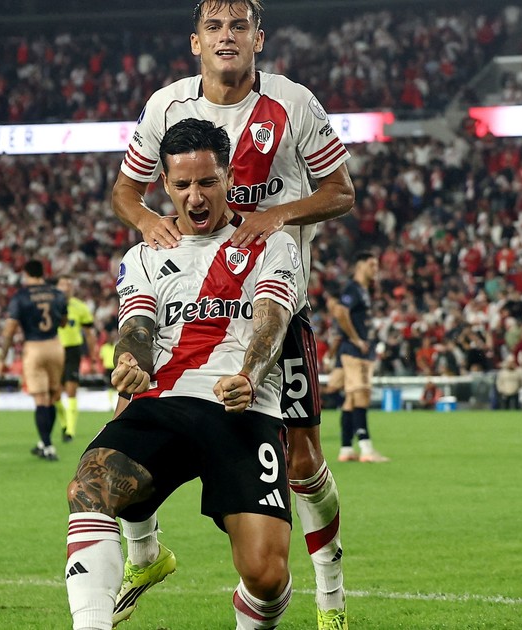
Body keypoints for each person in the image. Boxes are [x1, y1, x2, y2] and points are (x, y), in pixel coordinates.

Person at [109, 2, 355, 627]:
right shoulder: (166, 105)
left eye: (238, 26)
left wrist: (277, 215)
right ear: (196, 42)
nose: (227, 37)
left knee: (302, 460)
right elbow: (125, 190)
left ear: (258, 38)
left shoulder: (293, 104)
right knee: (129, 410)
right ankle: (144, 553)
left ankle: (331, 597)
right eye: (214, 27)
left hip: (269, 306)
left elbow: (342, 191)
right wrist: (147, 220)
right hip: (186, 302)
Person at [66, 119, 300, 630]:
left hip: (243, 408)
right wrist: (130, 363)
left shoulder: (269, 243)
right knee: (90, 485)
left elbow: (272, 321)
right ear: (165, 186)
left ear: (230, 177)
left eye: (208, 182)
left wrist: (250, 375)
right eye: (183, 184)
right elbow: (137, 328)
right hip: (165, 403)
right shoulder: (146, 253)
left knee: (266, 576)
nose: (195, 196)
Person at [0, 259, 69, 460]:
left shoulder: (21, 296)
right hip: (55, 346)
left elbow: (10, 329)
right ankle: (44, 442)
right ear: (43, 273)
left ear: (26, 274)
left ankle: (47, 445)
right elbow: (63, 322)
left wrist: (2, 358)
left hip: (34, 347)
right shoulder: (57, 294)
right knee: (53, 397)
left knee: (41, 399)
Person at [331, 251, 389, 463]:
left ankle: (346, 448)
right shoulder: (353, 288)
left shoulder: (363, 290)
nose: (375, 269)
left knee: (350, 400)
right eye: (372, 265)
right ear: (360, 265)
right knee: (362, 395)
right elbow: (340, 312)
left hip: (353, 351)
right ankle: (366, 449)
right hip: (355, 352)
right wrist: (356, 339)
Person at [57, 276, 98, 442]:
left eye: (69, 284)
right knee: (55, 392)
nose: (66, 287)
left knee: (71, 389)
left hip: (73, 350)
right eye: (63, 284)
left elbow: (89, 334)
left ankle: (70, 431)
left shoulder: (80, 307)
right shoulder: (51, 305)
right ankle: (64, 423)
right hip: (55, 351)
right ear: (57, 287)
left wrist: (93, 357)